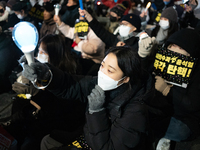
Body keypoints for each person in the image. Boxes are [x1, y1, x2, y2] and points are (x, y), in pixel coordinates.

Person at [21, 46, 154, 150]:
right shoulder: (101, 84)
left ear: (126, 79)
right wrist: (46, 75)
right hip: (87, 137)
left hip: (98, 144)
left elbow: (109, 147)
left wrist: (96, 112)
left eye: (110, 70)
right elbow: (72, 85)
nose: (102, 73)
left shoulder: (135, 112)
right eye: (102, 65)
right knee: (45, 140)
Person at [8, 34, 86, 150]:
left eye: (43, 52)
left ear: (54, 55)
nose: (39, 55)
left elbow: (57, 111)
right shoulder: (44, 72)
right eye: (38, 50)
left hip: (58, 127)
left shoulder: (67, 76)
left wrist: (35, 93)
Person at [138, 28, 200, 150]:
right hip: (159, 109)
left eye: (181, 48)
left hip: (183, 119)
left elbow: (193, 105)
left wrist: (168, 91)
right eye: (171, 46)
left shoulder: (197, 72)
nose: (174, 50)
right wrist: (143, 57)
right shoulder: (161, 59)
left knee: (181, 130)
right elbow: (140, 77)